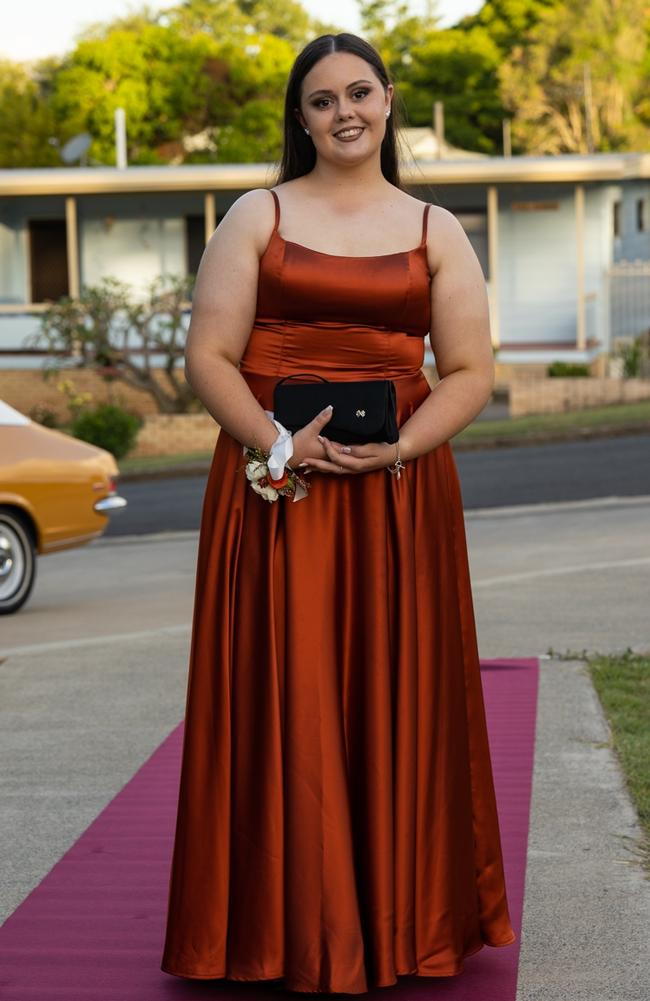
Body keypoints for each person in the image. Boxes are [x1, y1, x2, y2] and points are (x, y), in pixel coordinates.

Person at [160, 31, 517, 995]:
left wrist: (399, 448)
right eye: (322, 100)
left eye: (360, 92)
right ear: (301, 117)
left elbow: (473, 371)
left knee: (390, 691)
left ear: (390, 100)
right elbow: (209, 357)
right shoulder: (257, 214)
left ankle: (397, 921)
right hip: (278, 491)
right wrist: (279, 446)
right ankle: (279, 928)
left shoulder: (437, 227)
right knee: (287, 691)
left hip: (397, 498)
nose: (344, 112)